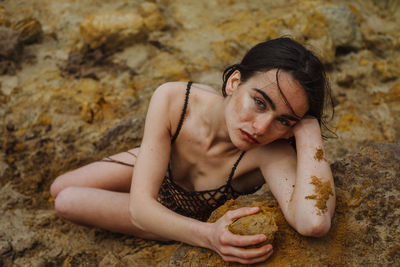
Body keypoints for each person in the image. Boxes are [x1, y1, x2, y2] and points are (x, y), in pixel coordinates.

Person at [50, 37, 336, 264]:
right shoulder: (176, 100)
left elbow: (313, 222)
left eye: (284, 120)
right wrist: (209, 236)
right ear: (234, 82)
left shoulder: (271, 152)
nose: (261, 128)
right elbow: (140, 206)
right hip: (162, 171)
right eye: (260, 102)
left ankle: (167, 226)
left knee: (68, 201)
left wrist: (309, 130)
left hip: (182, 216)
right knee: (59, 186)